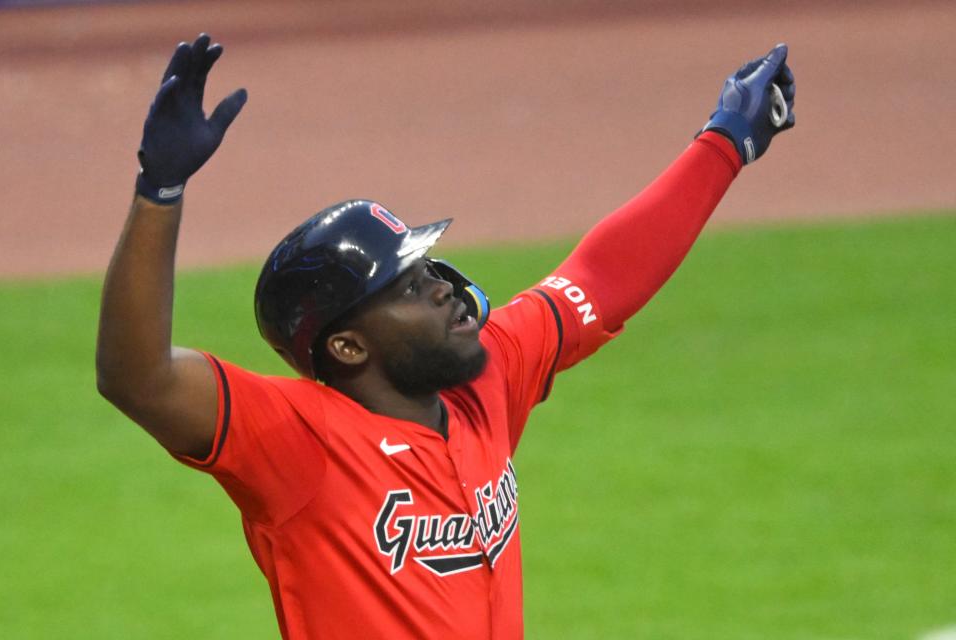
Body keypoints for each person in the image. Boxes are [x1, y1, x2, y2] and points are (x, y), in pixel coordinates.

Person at [96, 33, 795, 640]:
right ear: (347, 347)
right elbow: (139, 378)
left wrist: (724, 144)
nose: (440, 288)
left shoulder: (485, 382)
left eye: (428, 267)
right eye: (406, 287)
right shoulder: (300, 446)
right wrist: (159, 192)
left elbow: (600, 278)